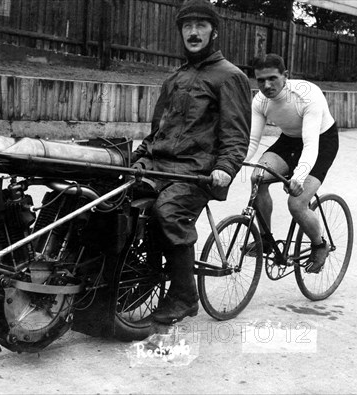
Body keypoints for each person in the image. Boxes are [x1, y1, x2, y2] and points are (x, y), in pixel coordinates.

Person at [131, 0, 251, 324]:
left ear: (214, 32)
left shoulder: (230, 77)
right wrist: (138, 156)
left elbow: (236, 136)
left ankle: (184, 296)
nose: (193, 32)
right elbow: (157, 130)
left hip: (196, 173)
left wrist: (225, 169)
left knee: (167, 212)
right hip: (158, 164)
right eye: (187, 26)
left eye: (200, 26)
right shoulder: (175, 78)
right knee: (114, 202)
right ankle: (138, 278)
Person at [245, 53, 339, 273]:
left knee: (296, 203)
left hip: (320, 141)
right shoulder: (260, 101)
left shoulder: (307, 95)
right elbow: (251, 141)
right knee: (257, 178)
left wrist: (298, 177)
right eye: (260, 80)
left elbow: (310, 144)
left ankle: (319, 244)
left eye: (272, 78)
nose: (266, 85)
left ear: (285, 76)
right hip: (289, 141)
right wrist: (230, 165)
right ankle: (266, 240)